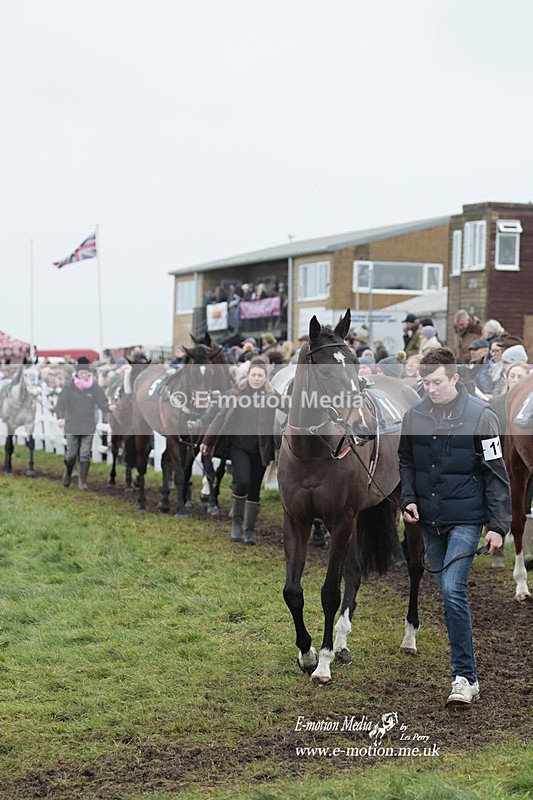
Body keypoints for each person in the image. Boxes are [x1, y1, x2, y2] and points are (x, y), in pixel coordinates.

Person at [398, 347, 511, 707]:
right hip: (429, 521)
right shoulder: (414, 414)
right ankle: (466, 674)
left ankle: (465, 678)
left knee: (451, 590)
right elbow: (405, 460)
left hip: (466, 518)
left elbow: (496, 474)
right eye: (426, 382)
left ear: (455, 378)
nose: (430, 388)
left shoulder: (483, 416)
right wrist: (408, 498)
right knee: (448, 594)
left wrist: (498, 525)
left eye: (437, 382)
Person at [192, 357, 279, 544]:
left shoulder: (272, 396)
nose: (256, 378)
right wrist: (207, 440)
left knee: (255, 490)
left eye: (260, 375)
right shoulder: (236, 393)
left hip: (261, 450)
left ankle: (248, 531)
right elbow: (220, 417)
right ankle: (236, 524)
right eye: (254, 375)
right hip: (239, 448)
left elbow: (291, 407)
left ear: (266, 377)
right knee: (243, 483)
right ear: (248, 376)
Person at [55, 357, 116, 489]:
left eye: (86, 373)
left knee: (85, 454)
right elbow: (61, 403)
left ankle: (82, 481)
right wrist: (60, 417)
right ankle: (68, 472)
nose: (84, 375)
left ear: (89, 374)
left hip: (88, 425)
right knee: (71, 454)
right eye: (81, 373)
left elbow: (102, 401)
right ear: (77, 373)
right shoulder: (69, 386)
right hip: (72, 425)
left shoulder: (94, 387)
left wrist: (108, 407)